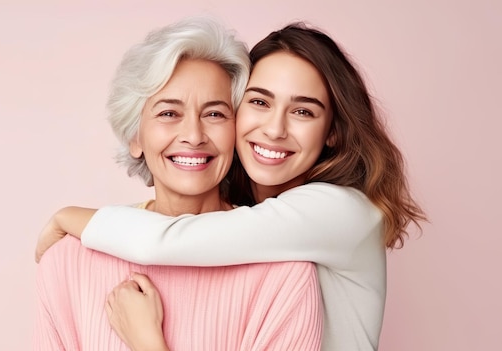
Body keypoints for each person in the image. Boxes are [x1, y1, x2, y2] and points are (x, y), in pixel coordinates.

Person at [35, 22, 426, 351]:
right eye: (259, 102)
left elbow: (164, 243)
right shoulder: (69, 263)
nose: (274, 129)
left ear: (334, 132)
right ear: (134, 134)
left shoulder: (333, 218)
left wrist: (69, 218)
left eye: (303, 111)